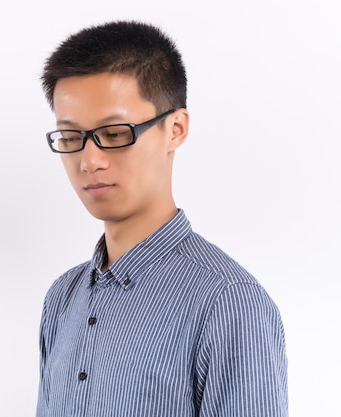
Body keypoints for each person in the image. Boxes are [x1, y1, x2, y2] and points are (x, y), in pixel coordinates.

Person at [36, 20, 288, 417]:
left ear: (175, 129)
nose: (89, 161)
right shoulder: (62, 298)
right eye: (70, 138)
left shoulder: (228, 303)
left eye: (115, 134)